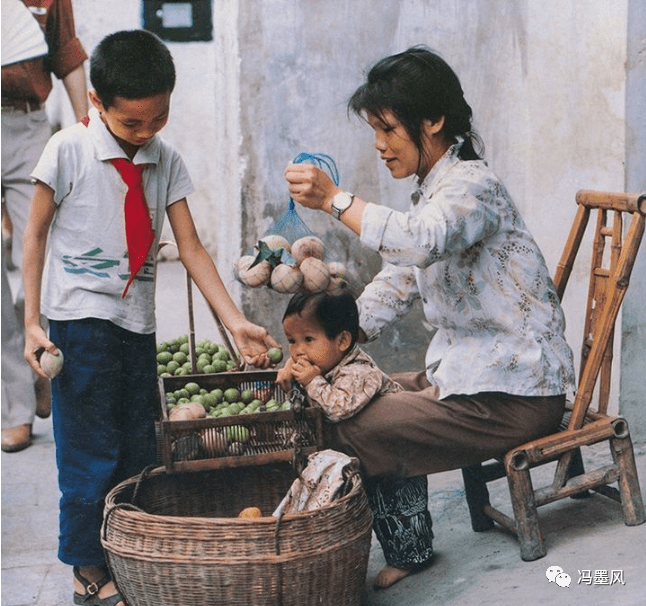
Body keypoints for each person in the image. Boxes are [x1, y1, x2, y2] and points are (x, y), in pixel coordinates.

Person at [284, 46, 576, 589]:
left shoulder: (471, 188)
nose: (378, 144)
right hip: (469, 378)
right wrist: (324, 345)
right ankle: (410, 543)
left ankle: (406, 544)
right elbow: (396, 281)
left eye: (387, 128)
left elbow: (417, 242)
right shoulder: (434, 193)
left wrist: (334, 201)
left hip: (517, 394)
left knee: (355, 420)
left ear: (433, 121)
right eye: (375, 128)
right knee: (358, 393)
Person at [22, 29, 280, 606]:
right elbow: (34, 235)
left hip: (137, 324)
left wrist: (234, 320)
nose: (146, 133)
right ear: (97, 103)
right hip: (78, 323)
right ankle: (88, 567)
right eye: (132, 124)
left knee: (140, 443)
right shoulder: (67, 150)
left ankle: (131, 549)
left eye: (158, 119)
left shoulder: (165, 161)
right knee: (90, 449)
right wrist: (31, 323)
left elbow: (190, 248)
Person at [1, 0, 88, 453]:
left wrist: (88, 128)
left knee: (47, 256)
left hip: (27, 122)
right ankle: (13, 408)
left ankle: (35, 355)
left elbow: (66, 53)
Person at [276, 290, 403, 422]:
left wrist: (311, 381)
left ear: (342, 341)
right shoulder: (325, 366)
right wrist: (292, 388)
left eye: (308, 339)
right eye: (292, 341)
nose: (298, 351)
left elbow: (337, 411)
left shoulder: (359, 372)